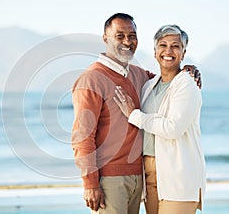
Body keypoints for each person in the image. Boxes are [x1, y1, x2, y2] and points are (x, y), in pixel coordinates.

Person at [71, 13, 200, 214]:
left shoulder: (139, 76)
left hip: (140, 178)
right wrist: (90, 184)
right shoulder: (91, 79)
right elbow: (82, 137)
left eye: (132, 36)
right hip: (109, 180)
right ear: (106, 39)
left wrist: (187, 69)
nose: (127, 41)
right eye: (120, 36)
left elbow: (167, 79)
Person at [114, 24, 206, 214]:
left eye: (175, 46)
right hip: (150, 176)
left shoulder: (187, 83)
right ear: (155, 51)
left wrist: (134, 116)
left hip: (177, 176)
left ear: (183, 52)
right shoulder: (149, 86)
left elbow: (173, 128)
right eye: (163, 45)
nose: (168, 51)